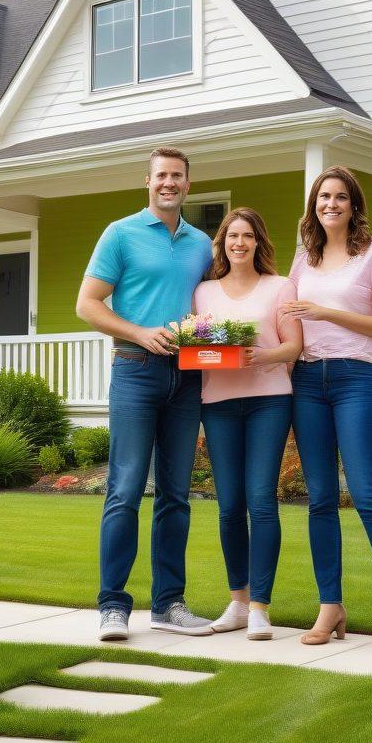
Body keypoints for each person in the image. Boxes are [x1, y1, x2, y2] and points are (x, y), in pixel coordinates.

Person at [282, 166, 372, 656]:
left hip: (354, 379)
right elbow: (287, 319)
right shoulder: (305, 258)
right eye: (323, 197)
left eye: (340, 197)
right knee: (320, 498)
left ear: (354, 205)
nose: (331, 204)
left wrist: (325, 313)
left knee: (366, 492)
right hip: (307, 380)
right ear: (313, 206)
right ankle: (330, 606)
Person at [77, 147, 214, 642]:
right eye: (161, 176)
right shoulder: (121, 233)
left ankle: (168, 604)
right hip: (136, 371)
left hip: (187, 377)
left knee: (176, 494)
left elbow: (213, 303)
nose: (169, 183)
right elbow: (87, 304)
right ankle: (112, 605)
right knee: (126, 489)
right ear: (148, 182)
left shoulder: (202, 244)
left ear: (188, 185)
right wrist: (139, 333)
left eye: (177, 176)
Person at [193, 208, 301, 641]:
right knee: (228, 505)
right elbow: (197, 343)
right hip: (217, 402)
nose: (240, 243)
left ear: (259, 243)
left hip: (269, 401)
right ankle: (237, 601)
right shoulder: (202, 292)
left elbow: (294, 344)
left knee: (261, 500)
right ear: (222, 243)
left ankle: (260, 608)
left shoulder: (280, 286)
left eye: (248, 236)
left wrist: (263, 355)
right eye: (232, 236)